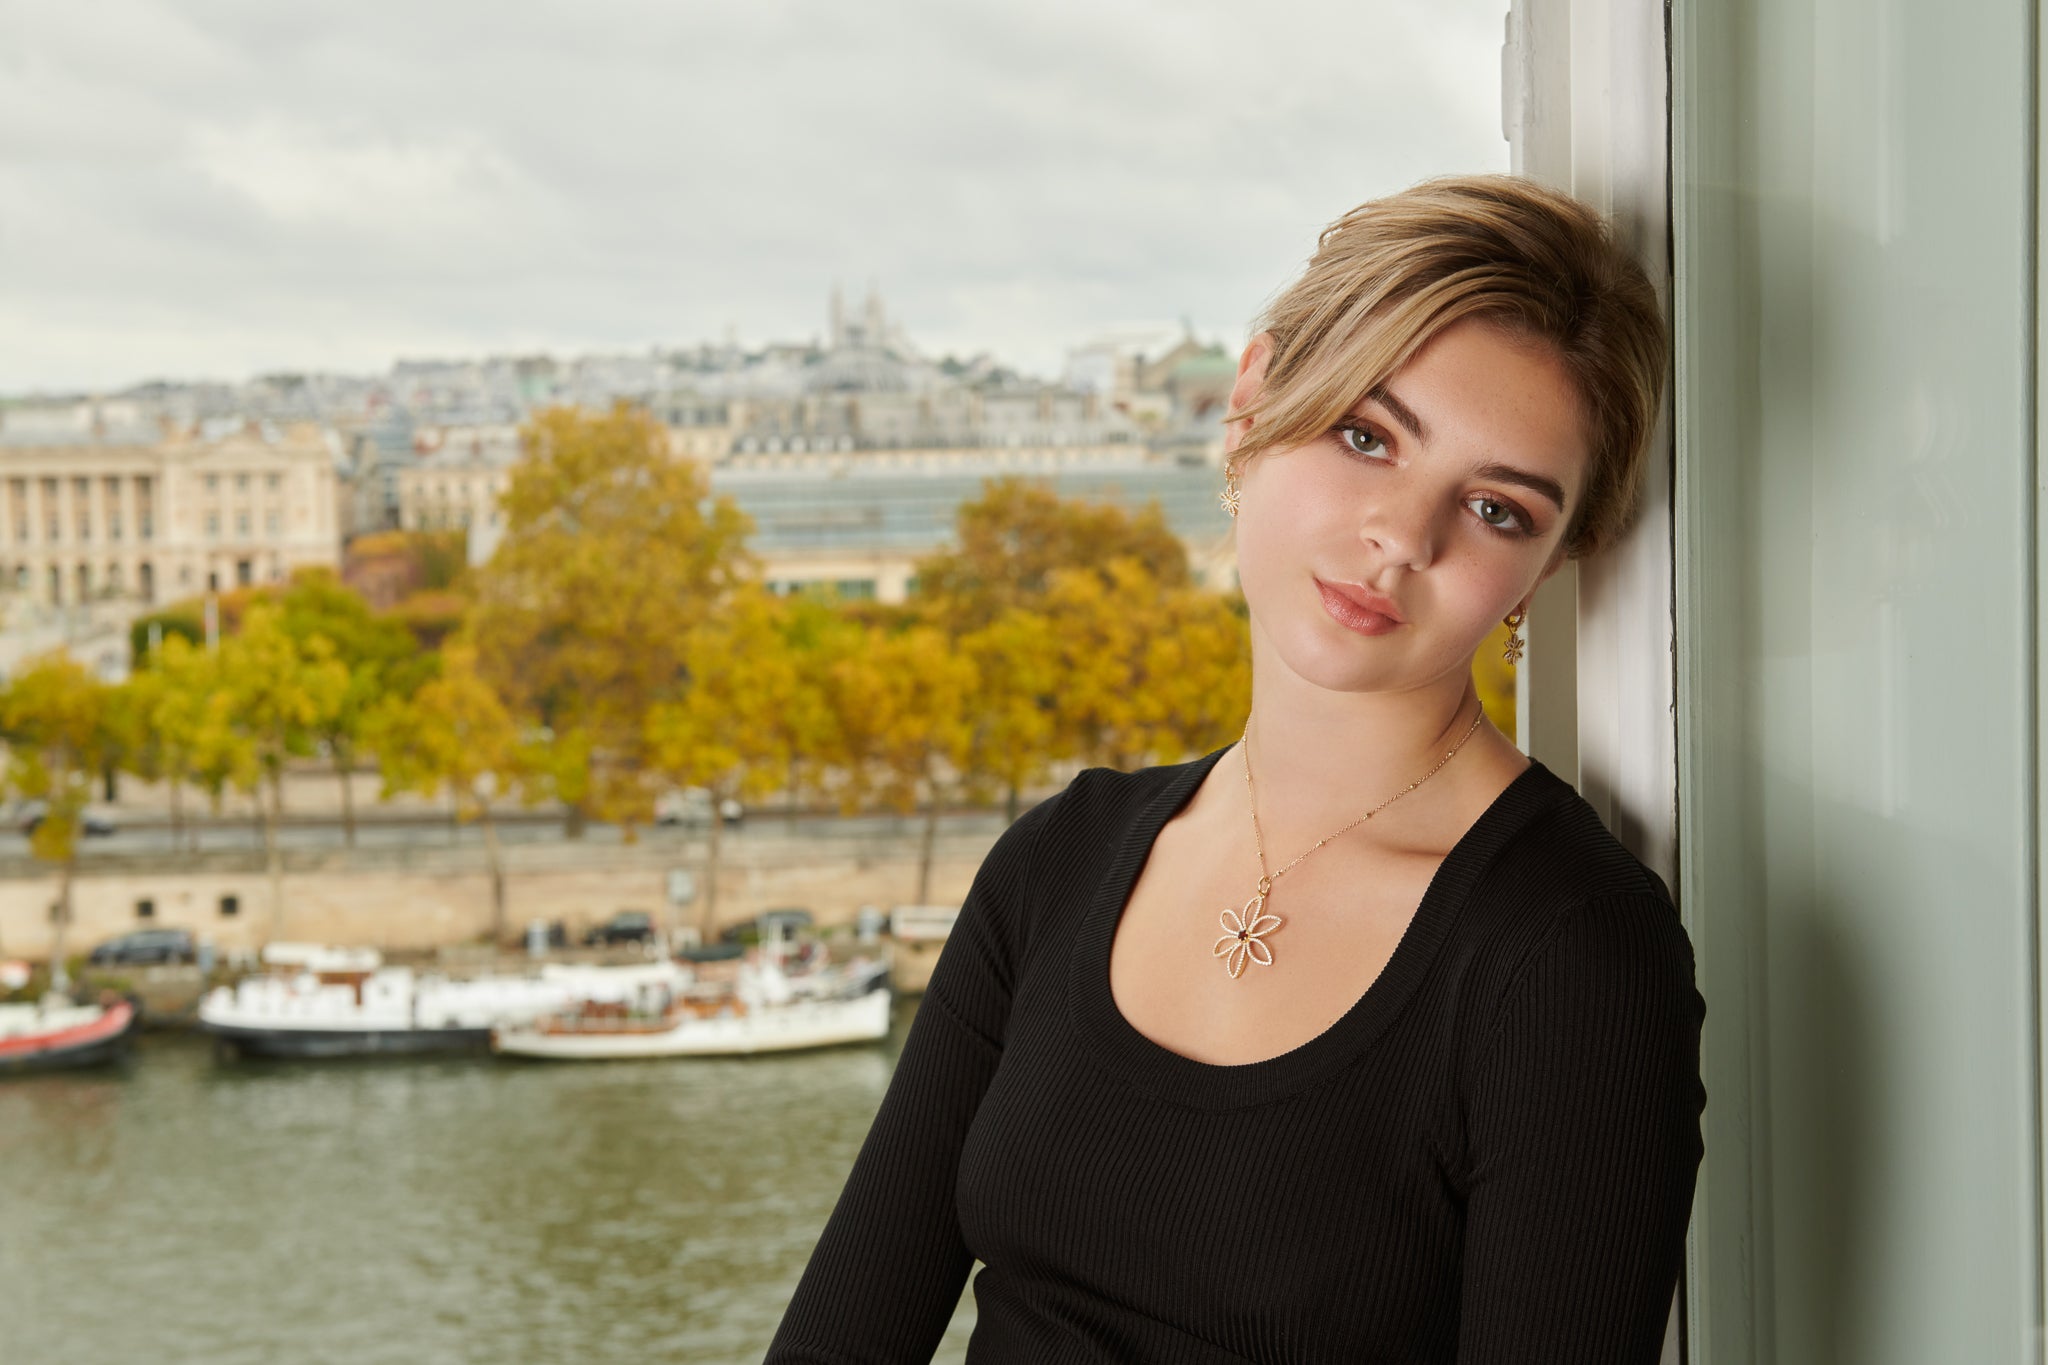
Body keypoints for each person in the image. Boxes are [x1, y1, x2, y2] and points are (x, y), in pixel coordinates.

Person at [765, 175, 1704, 1364]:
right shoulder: (1060, 857)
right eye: (1367, 437)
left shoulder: (1569, 955)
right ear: (1252, 400)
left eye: (1495, 509)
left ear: (1549, 567)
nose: (1401, 540)